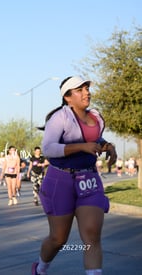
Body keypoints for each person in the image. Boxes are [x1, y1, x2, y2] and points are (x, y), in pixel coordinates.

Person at [31, 76, 117, 275]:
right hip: (60, 180)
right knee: (59, 239)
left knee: (92, 235)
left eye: (86, 88)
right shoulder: (60, 117)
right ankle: (41, 268)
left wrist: (108, 146)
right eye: (80, 89)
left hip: (89, 180)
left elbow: (96, 139)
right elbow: (49, 148)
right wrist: (81, 147)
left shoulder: (96, 117)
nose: (86, 92)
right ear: (68, 97)